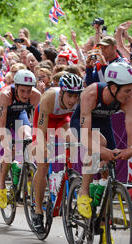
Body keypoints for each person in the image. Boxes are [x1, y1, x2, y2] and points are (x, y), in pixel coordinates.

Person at [70, 62, 132, 244]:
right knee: (98, 143)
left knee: (109, 173)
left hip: (103, 122)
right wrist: (105, 152)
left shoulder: (130, 100)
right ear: (113, 87)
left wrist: (130, 149)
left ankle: (104, 225)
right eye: (127, 90)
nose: (131, 94)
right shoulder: (91, 94)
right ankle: (83, 192)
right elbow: (85, 137)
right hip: (83, 124)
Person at [31, 73, 84, 231]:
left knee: (74, 141)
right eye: (69, 95)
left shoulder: (81, 100)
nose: (73, 100)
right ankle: (38, 210)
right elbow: (41, 131)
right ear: (61, 92)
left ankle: (66, 177)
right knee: (43, 164)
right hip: (45, 121)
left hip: (63, 120)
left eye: (76, 96)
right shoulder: (48, 98)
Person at [0, 69, 41, 209]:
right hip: (3, 119)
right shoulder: (5, 95)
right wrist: (6, 145)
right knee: (8, 151)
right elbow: (1, 125)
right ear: (16, 87)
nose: (26, 95)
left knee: (28, 137)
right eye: (22, 91)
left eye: (29, 91)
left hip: (19, 116)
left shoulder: (36, 95)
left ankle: (25, 169)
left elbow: (38, 122)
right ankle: (1, 187)